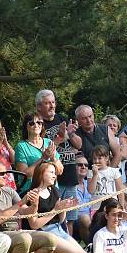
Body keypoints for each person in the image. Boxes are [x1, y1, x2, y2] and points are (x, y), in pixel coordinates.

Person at [23, 162, 126, 253]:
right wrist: (55, 210)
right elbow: (34, 224)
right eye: (51, 172)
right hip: (46, 234)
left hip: (58, 230)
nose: (54, 175)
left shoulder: (54, 191)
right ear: (41, 174)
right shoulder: (32, 195)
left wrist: (64, 208)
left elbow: (61, 220)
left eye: (55, 173)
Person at [36, 89, 81, 236]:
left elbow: (78, 144)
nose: (52, 106)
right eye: (47, 103)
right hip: (53, 177)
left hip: (70, 174)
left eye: (53, 102)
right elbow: (44, 150)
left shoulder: (62, 118)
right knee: (54, 217)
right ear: (39, 107)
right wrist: (60, 136)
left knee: (70, 218)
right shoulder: (37, 124)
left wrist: (69, 133)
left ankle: (71, 251)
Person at [14, 112, 64, 191]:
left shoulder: (48, 142)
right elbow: (24, 175)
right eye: (31, 123)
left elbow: (60, 171)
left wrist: (53, 157)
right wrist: (43, 158)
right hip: (32, 192)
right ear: (26, 127)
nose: (36, 125)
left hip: (51, 191)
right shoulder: (21, 146)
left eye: (39, 122)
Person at [74, 154, 93, 242]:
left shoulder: (90, 184)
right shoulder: (69, 186)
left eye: (86, 165)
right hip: (76, 220)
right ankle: (92, 247)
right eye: (80, 165)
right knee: (85, 218)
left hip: (91, 216)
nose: (83, 167)